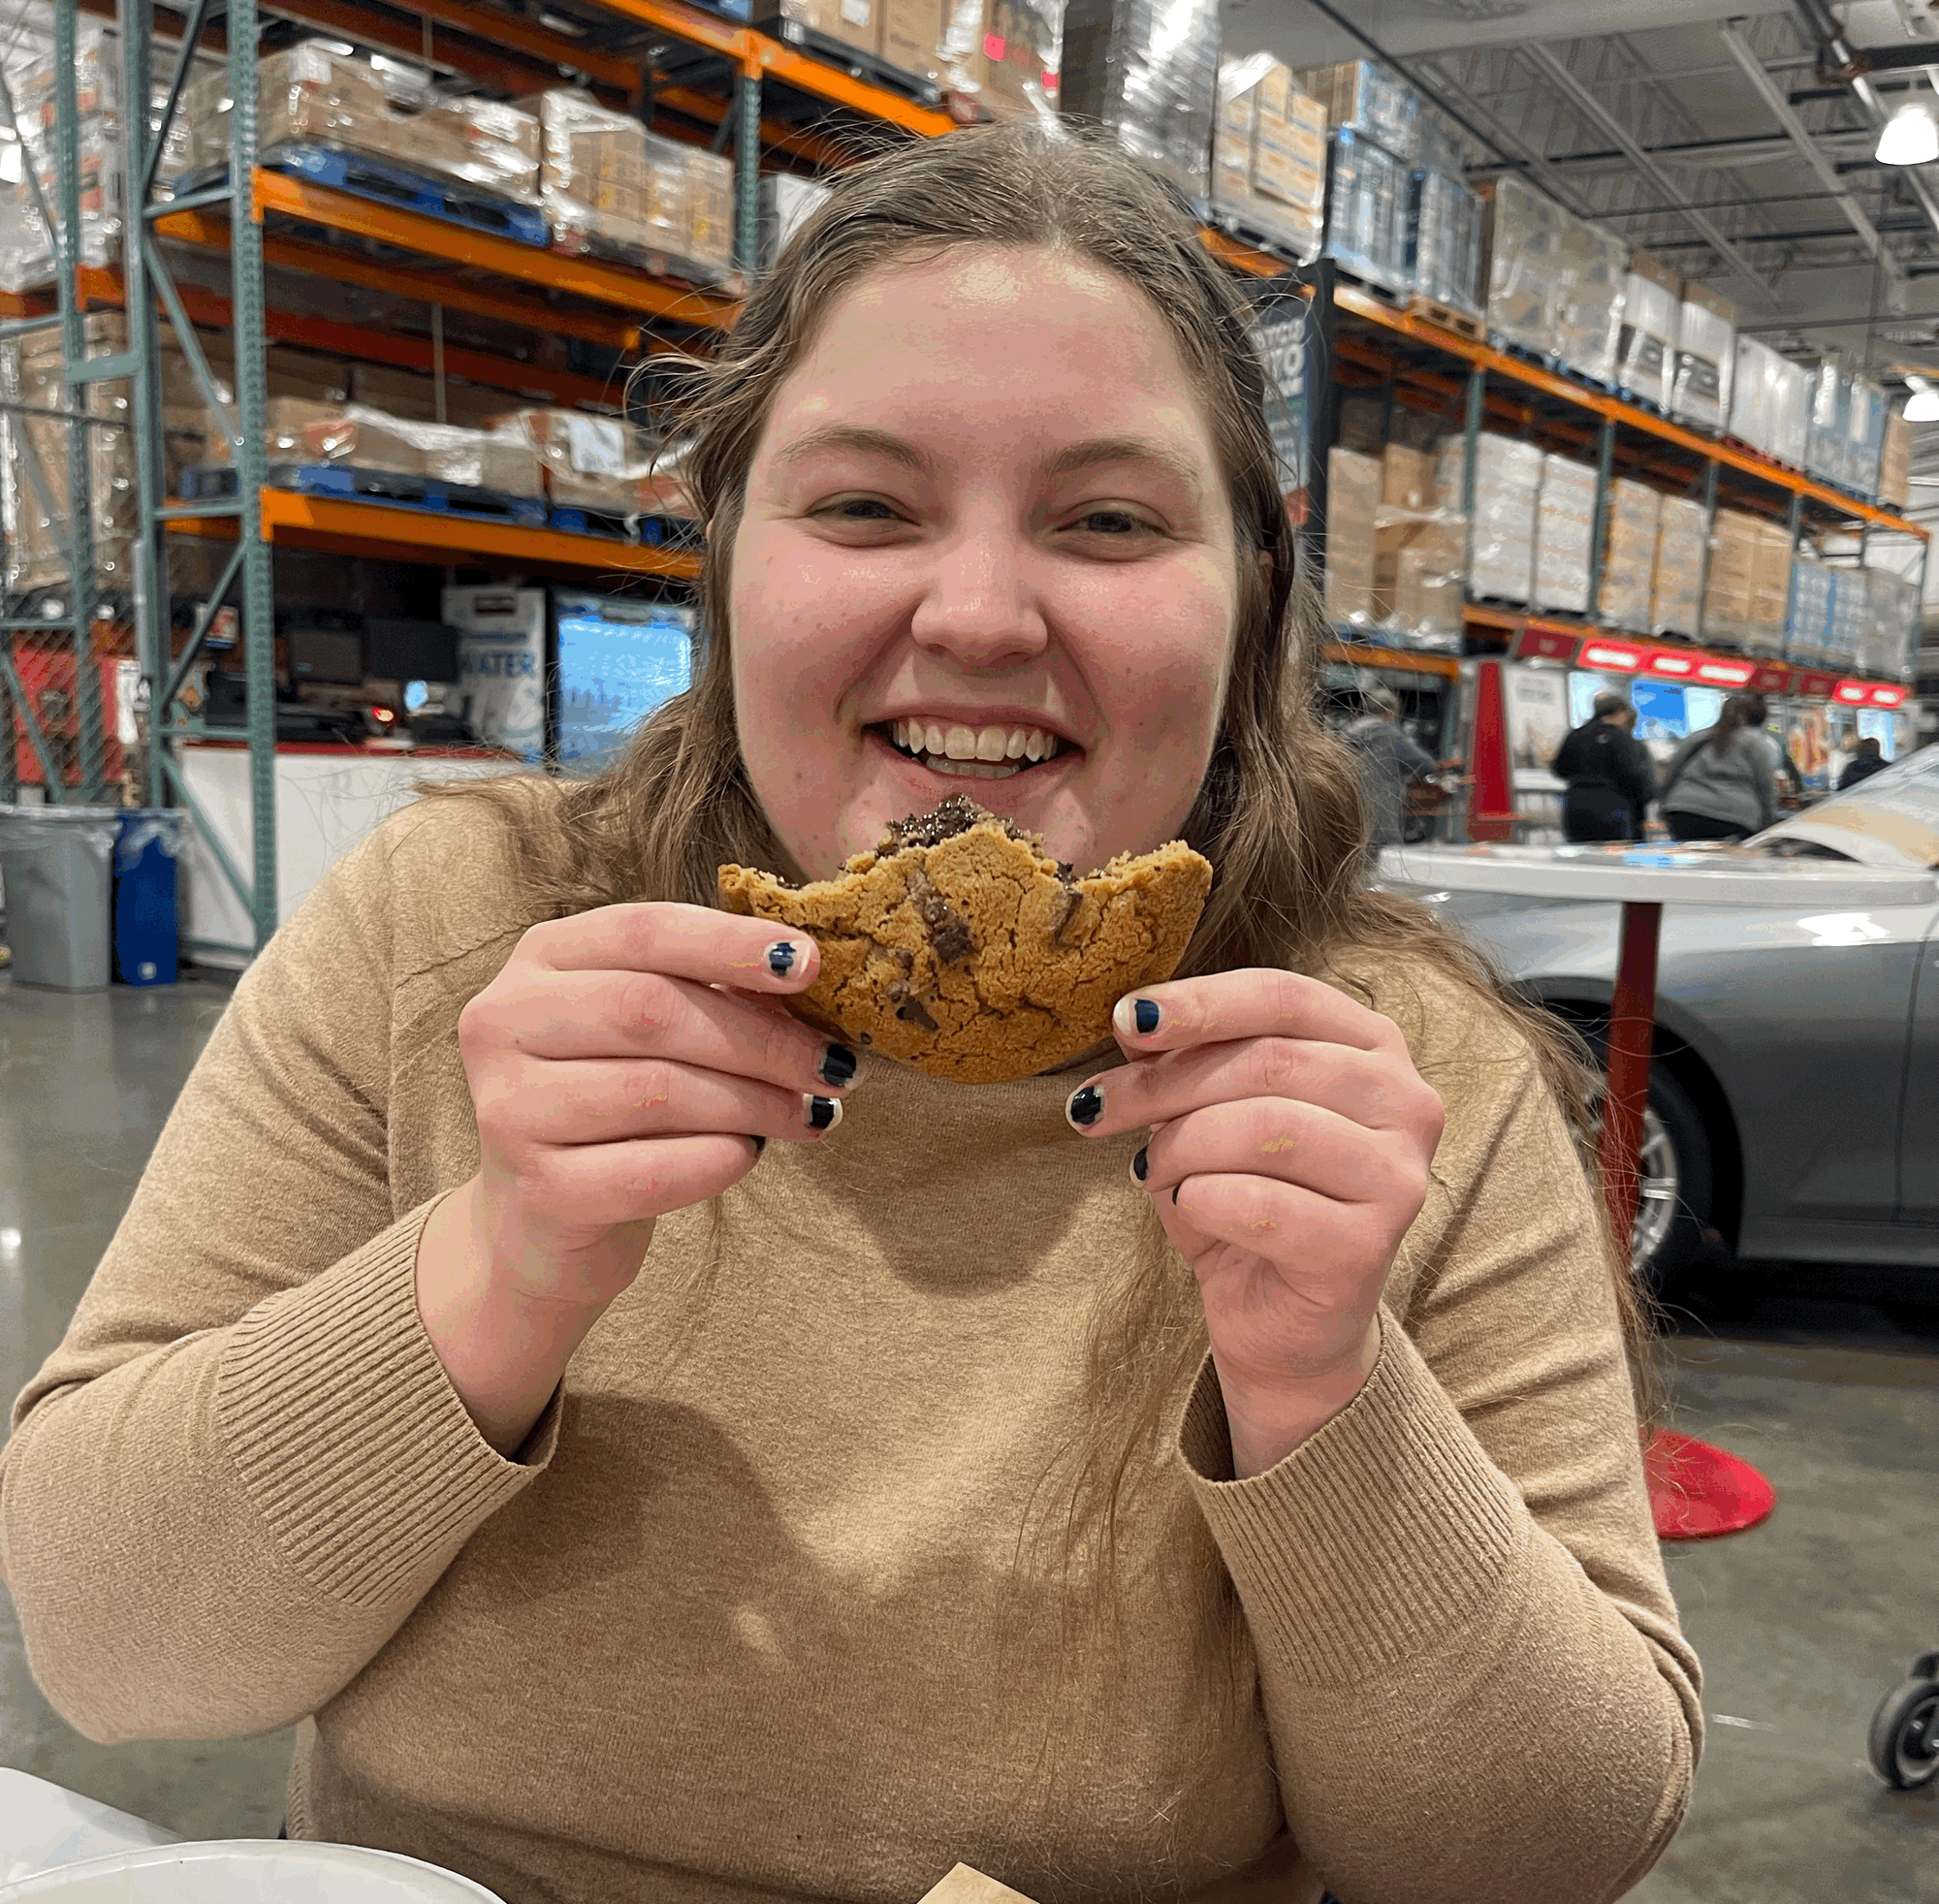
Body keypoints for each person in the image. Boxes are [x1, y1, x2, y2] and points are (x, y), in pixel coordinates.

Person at [0, 128, 1699, 1904]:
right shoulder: (450, 933)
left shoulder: (1398, 1075)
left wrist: (1322, 1387)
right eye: (865, 506)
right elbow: (112, 1655)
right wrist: (496, 1263)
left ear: (1255, 578)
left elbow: (1540, 1854)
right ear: (726, 548)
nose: (973, 615)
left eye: (1108, 520)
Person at [1658, 690, 1780, 842]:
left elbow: (1672, 772)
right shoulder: (1757, 743)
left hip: (1684, 810)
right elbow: (1765, 785)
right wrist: (1768, 821)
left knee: (1690, 860)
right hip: (1735, 817)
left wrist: (1663, 805)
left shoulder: (1698, 738)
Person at [1337, 682, 1448, 848]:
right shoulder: (1389, 734)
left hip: (1346, 818)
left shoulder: (1346, 735)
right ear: (1389, 712)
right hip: (1380, 820)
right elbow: (1425, 764)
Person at [1550, 690, 1656, 842]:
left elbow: (1559, 769)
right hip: (1612, 807)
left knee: (1582, 857)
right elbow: (1633, 773)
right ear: (1621, 712)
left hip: (1576, 806)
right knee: (1614, 860)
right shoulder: (1621, 737)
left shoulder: (1576, 735)